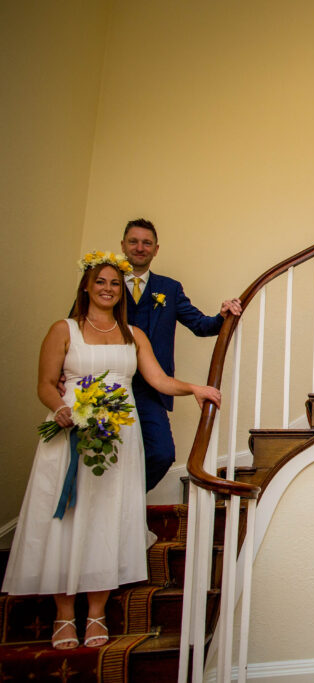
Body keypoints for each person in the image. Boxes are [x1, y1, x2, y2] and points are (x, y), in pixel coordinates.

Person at [2, 252, 221, 650]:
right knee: (66, 517)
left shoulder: (134, 334)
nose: (107, 289)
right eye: (100, 282)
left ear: (122, 291)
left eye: (114, 284)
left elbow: (158, 379)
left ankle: (98, 611)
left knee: (105, 515)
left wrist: (195, 388)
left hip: (119, 437)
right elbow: (46, 384)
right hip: (69, 435)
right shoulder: (63, 329)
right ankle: (65, 615)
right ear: (87, 286)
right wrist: (62, 408)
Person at [120, 219, 241, 490]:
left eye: (146, 243)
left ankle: (125, 503)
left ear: (156, 249)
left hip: (152, 387)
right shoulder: (104, 283)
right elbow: (78, 327)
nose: (140, 248)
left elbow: (201, 325)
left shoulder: (170, 288)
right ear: (123, 246)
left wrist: (222, 316)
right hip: (109, 383)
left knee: (161, 453)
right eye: (133, 241)